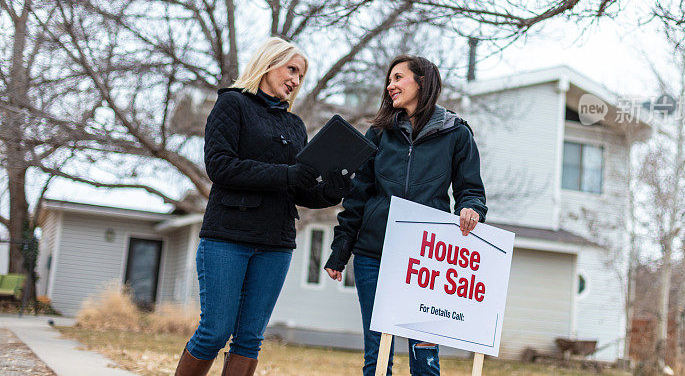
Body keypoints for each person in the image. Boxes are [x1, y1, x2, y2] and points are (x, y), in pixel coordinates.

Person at [175, 37, 352, 376]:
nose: (296, 81)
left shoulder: (294, 125)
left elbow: (299, 188)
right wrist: (290, 174)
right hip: (228, 237)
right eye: (292, 70)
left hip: (276, 243)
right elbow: (221, 167)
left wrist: (332, 191)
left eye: (301, 76)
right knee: (215, 331)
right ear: (269, 63)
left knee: (250, 340)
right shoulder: (232, 105)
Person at [324, 55, 487, 376]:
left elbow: (471, 189)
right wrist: (340, 251)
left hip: (425, 261)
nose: (391, 85)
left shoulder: (456, 133)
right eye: (390, 79)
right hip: (373, 255)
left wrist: (471, 209)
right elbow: (358, 195)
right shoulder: (379, 134)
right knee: (377, 357)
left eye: (399, 78)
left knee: (424, 358)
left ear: (422, 82)